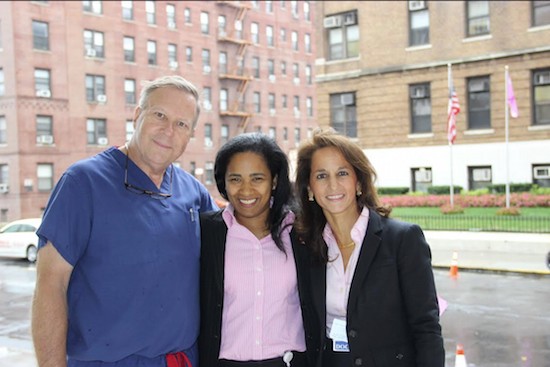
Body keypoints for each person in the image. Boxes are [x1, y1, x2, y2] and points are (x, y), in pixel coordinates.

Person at [31, 75, 218, 367]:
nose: (168, 131)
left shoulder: (193, 193)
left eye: (181, 124)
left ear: (190, 134)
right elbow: (50, 285)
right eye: (160, 115)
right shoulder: (83, 183)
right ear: (136, 115)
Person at [294, 129, 444, 367]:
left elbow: (426, 329)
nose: (333, 185)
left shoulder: (402, 239)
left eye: (342, 173)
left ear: (359, 182)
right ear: (310, 189)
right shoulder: (307, 246)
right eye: (321, 176)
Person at [199, 133, 319, 367]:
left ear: (274, 180)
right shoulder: (206, 233)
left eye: (257, 178)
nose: (246, 190)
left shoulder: (300, 231)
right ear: (223, 181)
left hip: (288, 361)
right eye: (235, 179)